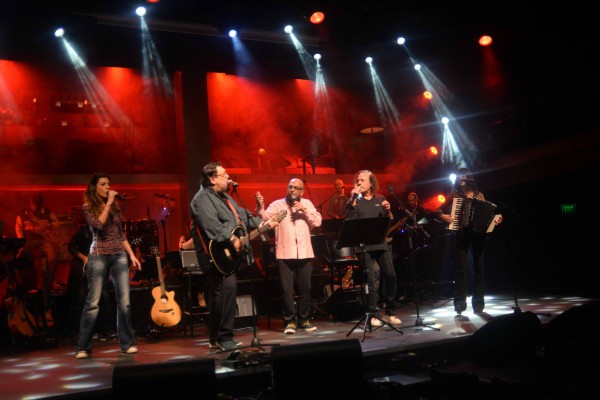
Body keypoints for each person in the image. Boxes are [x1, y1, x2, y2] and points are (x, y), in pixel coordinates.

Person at [190, 161, 278, 351]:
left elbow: (243, 217)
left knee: (224, 293)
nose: (228, 177)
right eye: (224, 175)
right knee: (224, 292)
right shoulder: (201, 199)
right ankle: (223, 337)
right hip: (215, 255)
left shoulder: (227, 198)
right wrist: (231, 239)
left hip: (228, 255)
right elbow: (211, 225)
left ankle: (216, 338)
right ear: (212, 179)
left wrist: (264, 224)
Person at [75, 173, 141, 359]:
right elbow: (98, 225)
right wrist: (109, 202)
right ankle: (83, 347)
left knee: (125, 302)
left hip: (118, 256)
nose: (107, 187)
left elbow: (120, 235)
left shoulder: (114, 208)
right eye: (103, 184)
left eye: (108, 184)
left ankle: (127, 344)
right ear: (94, 187)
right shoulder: (88, 207)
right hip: (98, 256)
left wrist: (131, 254)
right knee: (93, 303)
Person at [256, 178, 323, 334]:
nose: (292, 190)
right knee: (287, 290)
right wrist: (260, 206)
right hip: (284, 253)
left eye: (296, 188)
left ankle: (304, 320)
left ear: (302, 191)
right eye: (290, 187)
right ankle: (290, 321)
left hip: (304, 252)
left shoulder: (307, 204)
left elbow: (318, 222)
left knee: (305, 288)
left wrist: (304, 211)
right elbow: (264, 218)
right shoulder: (277, 205)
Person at [437, 167, 503, 315]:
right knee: (461, 268)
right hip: (461, 233)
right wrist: (443, 216)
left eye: (463, 176)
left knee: (479, 268)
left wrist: (495, 220)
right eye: (459, 176)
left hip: (478, 235)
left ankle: (478, 304)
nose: (461, 178)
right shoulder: (454, 195)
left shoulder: (479, 195)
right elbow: (438, 210)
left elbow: (487, 215)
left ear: (469, 178)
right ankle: (459, 304)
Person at [346, 170, 401, 327]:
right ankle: (373, 314)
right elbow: (349, 221)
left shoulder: (380, 199)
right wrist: (353, 200)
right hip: (364, 246)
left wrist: (388, 210)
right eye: (357, 180)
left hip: (380, 244)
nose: (359, 183)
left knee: (391, 275)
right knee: (371, 280)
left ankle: (390, 311)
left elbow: (390, 220)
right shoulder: (355, 200)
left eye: (362, 180)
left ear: (371, 183)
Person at [14, 192, 60, 325]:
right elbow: (19, 228)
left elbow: (57, 224)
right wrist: (21, 242)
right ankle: (23, 280)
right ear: (30, 202)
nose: (34, 206)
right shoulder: (23, 214)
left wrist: (49, 227)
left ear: (40, 203)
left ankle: (49, 280)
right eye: (33, 203)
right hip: (30, 240)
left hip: (43, 240)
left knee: (53, 255)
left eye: (37, 204)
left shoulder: (47, 212)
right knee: (22, 255)